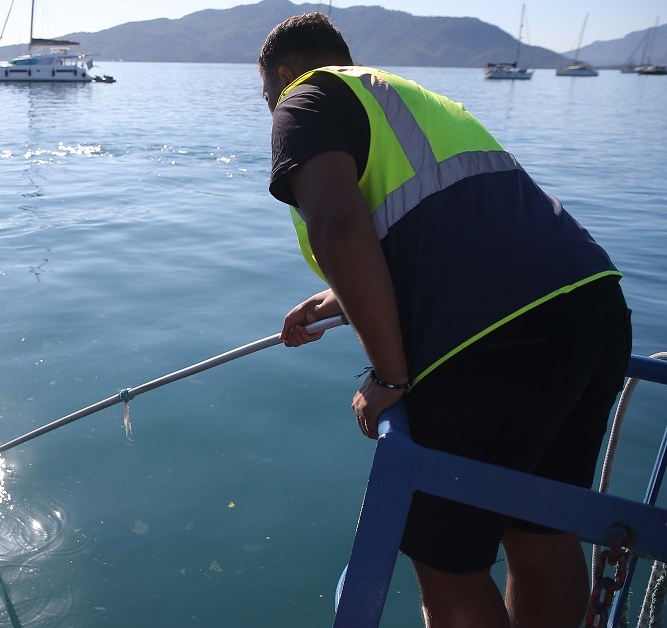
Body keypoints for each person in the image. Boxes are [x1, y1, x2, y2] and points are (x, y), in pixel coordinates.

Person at [259, 12, 632, 628]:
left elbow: (338, 225)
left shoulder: (307, 95)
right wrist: (332, 301)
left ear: (282, 72)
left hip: (493, 343)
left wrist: (389, 377)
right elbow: (441, 227)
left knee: (448, 565)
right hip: (591, 309)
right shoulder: (401, 97)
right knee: (542, 535)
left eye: (267, 95)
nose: (272, 108)